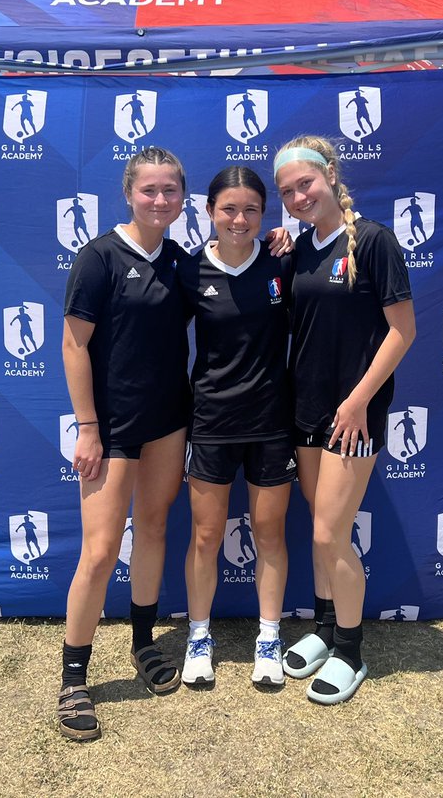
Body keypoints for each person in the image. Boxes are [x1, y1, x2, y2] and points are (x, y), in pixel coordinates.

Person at [272, 135, 415, 705]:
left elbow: (403, 331)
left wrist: (357, 402)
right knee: (318, 527)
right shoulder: (300, 248)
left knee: (330, 533)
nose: (298, 196)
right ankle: (326, 626)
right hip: (304, 409)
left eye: (305, 183)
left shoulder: (375, 241)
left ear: (331, 174)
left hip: (353, 416)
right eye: (287, 191)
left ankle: (351, 651)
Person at [58, 147, 193, 742]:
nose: (160, 200)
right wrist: (87, 426)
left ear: (182, 197)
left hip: (168, 420)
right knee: (100, 549)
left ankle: (143, 642)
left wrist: (277, 249)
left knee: (156, 527)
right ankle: (73, 678)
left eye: (170, 190)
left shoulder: (183, 262)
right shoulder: (99, 258)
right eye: (149, 190)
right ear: (128, 193)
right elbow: (72, 345)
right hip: (109, 429)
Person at [177, 166, 294, 688]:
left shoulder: (281, 262)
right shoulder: (188, 270)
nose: (240, 219)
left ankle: (268, 637)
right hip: (212, 422)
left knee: (269, 533)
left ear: (264, 214)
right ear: (209, 213)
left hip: (272, 422)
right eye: (229, 209)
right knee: (205, 535)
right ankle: (198, 635)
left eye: (251, 209)